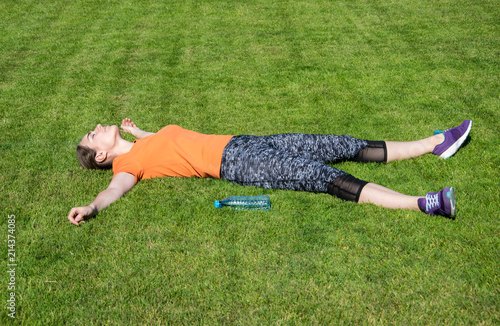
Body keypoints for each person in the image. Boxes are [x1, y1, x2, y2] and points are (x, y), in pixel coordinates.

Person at [68, 118, 472, 225]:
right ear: (101, 156)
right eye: (93, 136)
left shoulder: (141, 145)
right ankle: (424, 204)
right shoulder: (129, 164)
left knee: (337, 144)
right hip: (239, 164)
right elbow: (116, 189)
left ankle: (433, 144)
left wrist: (138, 131)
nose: (97, 128)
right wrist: (92, 206)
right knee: (324, 176)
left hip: (245, 141)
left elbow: (166, 139)